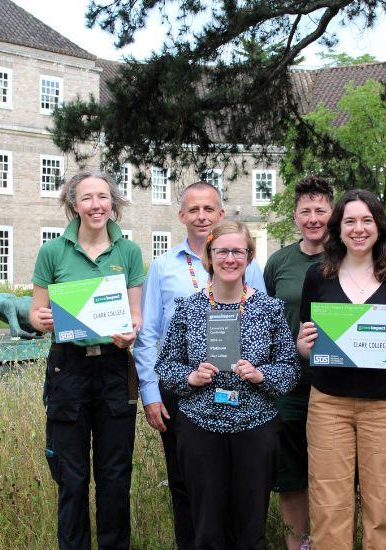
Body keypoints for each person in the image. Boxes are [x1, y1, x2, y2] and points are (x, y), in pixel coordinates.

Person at [133, 181, 266, 550]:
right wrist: (150, 393)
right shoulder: (163, 266)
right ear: (181, 216)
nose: (202, 216)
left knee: (234, 485)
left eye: (209, 209)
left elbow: (263, 323)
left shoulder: (243, 259)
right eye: (194, 209)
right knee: (186, 485)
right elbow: (148, 335)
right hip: (183, 389)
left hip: (239, 391)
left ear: (221, 214)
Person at [155, 221, 299, 550]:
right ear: (209, 256)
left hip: (256, 426)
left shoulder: (270, 309)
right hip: (201, 427)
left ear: (249, 257)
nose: (230, 258)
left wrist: (262, 375)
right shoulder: (188, 308)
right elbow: (166, 366)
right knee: (207, 529)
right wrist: (190, 378)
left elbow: (289, 368)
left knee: (250, 530)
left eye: (238, 251)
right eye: (222, 251)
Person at [296, 189, 386, 550]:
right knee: (329, 506)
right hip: (328, 404)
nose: (359, 229)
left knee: (382, 506)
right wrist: (303, 345)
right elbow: (305, 343)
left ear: (379, 227)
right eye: (350, 221)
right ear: (339, 228)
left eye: (367, 220)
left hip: (383, 405)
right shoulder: (318, 277)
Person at [28, 171, 145, 550]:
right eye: (87, 198)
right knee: (72, 478)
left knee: (114, 477)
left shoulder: (128, 251)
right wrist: (42, 320)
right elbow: (36, 312)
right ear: (73, 205)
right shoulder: (53, 252)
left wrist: (132, 332)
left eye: (103, 197)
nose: (96, 205)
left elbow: (136, 315)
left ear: (113, 202)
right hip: (69, 368)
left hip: (114, 368)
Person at [263, 176, 333, 550]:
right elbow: (266, 320)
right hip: (289, 382)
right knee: (291, 473)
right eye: (305, 210)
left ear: (332, 213)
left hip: (337, 380)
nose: (313, 217)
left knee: (332, 469)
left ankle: (327, 541)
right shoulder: (279, 263)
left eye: (320, 210)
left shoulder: (347, 257)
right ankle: (297, 545)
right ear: (294, 216)